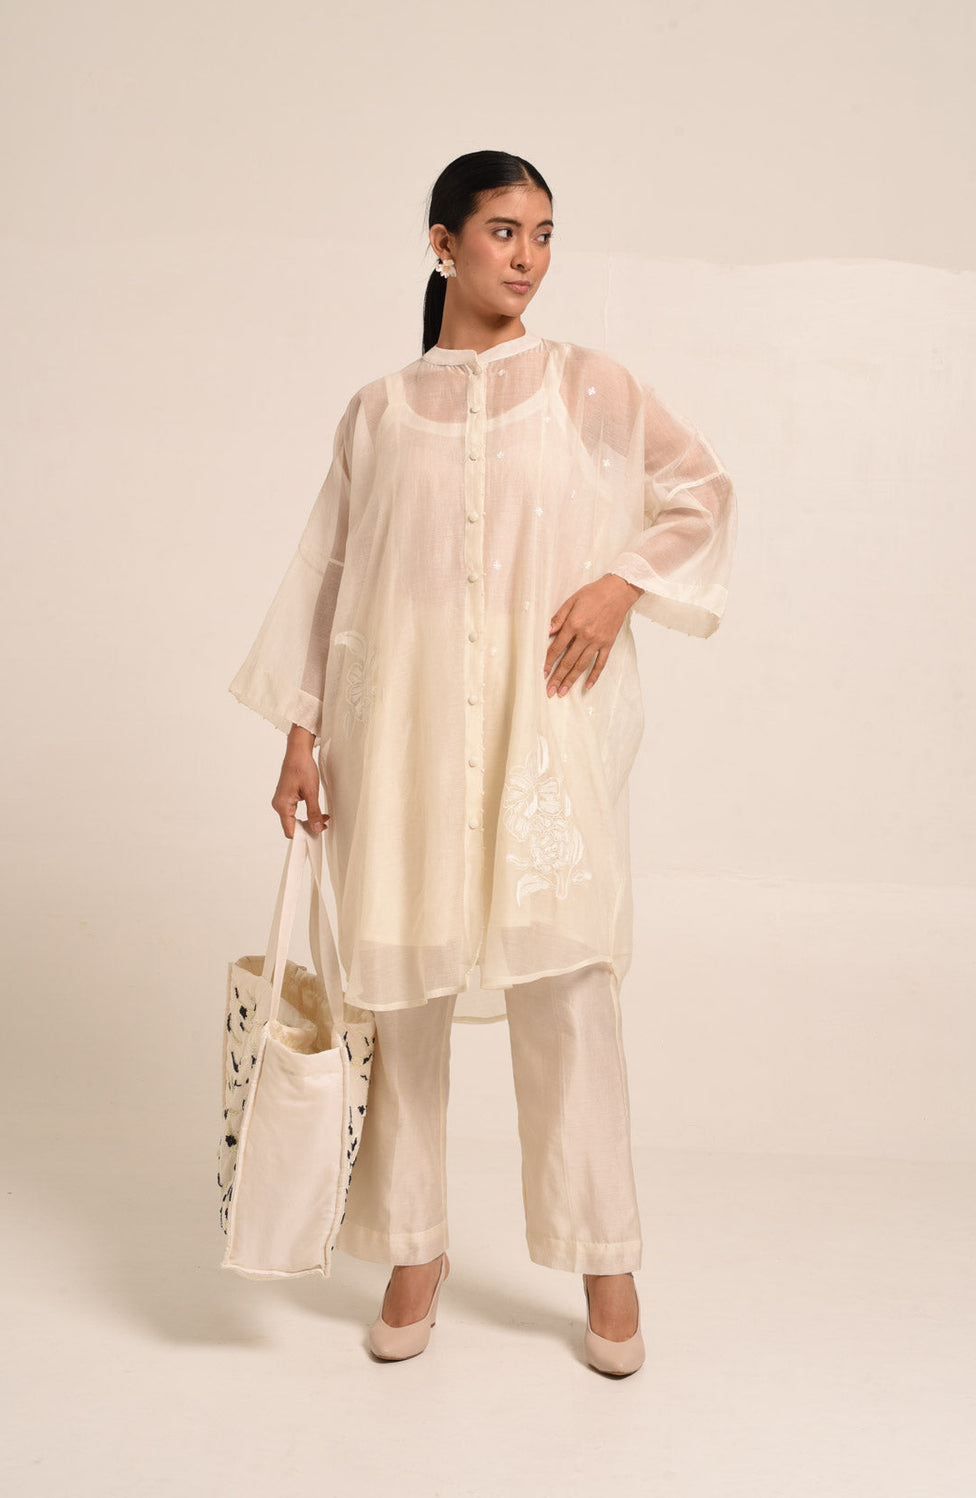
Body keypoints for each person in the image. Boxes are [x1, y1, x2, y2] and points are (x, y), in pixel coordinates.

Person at [227, 150, 737, 1376]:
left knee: (567, 990)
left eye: (545, 233)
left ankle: (605, 1259)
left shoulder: (587, 385)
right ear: (443, 243)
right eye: (505, 230)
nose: (529, 256)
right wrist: (301, 729)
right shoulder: (377, 411)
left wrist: (619, 584)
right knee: (397, 995)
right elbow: (331, 576)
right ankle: (413, 1248)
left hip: (538, 738)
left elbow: (701, 493)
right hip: (398, 739)